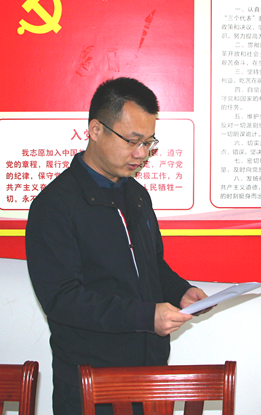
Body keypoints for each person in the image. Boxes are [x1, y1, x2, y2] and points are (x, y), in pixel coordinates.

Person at [26, 77, 208, 415]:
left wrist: (181, 291)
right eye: (132, 141)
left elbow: (152, 265)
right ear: (95, 130)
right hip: (91, 383)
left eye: (148, 143)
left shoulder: (136, 195)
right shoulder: (55, 205)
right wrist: (146, 316)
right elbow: (62, 299)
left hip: (148, 374)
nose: (141, 154)